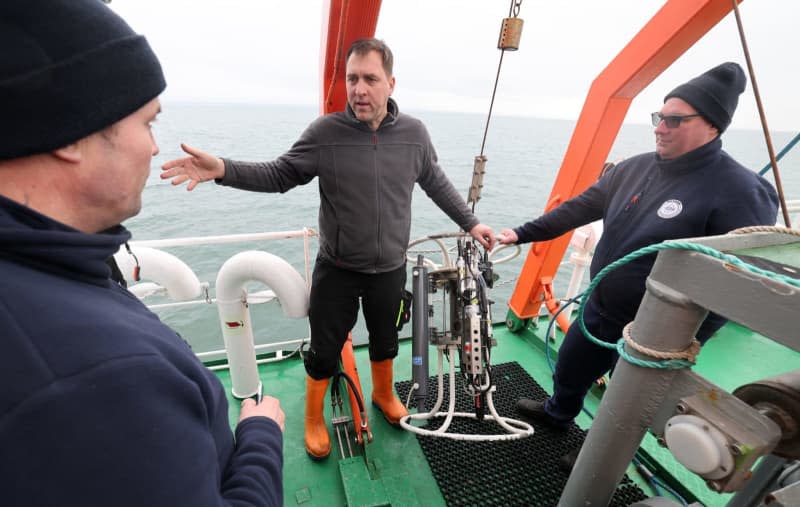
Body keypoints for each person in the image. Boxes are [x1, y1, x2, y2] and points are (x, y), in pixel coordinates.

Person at [0, 1, 284, 506]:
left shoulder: (39, 272)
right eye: (149, 123)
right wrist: (261, 438)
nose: (154, 148)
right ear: (74, 131)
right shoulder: (101, 376)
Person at [160, 37, 496, 460]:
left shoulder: (414, 135)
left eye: (370, 79)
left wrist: (472, 223)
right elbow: (280, 174)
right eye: (352, 79)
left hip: (389, 267)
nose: (358, 89)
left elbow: (436, 182)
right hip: (337, 268)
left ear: (390, 83)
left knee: (386, 338)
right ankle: (314, 417)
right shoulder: (326, 134)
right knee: (323, 348)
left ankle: (383, 395)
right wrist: (223, 170)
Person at [498, 62, 779, 434]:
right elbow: (577, 209)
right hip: (599, 307)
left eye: (675, 121)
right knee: (570, 365)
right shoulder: (634, 168)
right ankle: (558, 414)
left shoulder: (742, 192)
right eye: (659, 118)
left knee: (627, 402)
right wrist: (520, 234)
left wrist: (688, 340)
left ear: (712, 124)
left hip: (656, 331)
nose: (660, 129)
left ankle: (595, 452)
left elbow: (736, 284)